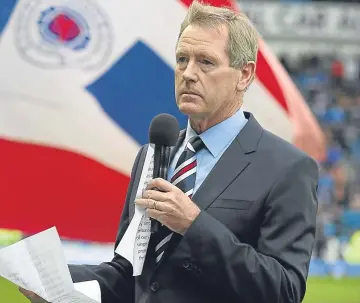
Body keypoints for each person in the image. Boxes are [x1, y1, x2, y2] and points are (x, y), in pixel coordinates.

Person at [19, 2, 319, 303]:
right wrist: (58, 283)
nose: (188, 73)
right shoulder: (152, 154)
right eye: (181, 59)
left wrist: (194, 225)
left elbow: (284, 291)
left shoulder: (288, 168)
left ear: (244, 75)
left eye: (205, 62)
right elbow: (129, 275)